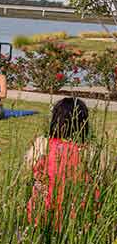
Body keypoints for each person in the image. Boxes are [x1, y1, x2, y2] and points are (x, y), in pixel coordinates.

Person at [25, 97, 94, 226]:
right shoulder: (88, 153)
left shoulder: (42, 146)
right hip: (77, 220)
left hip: (39, 214)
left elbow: (29, 169)